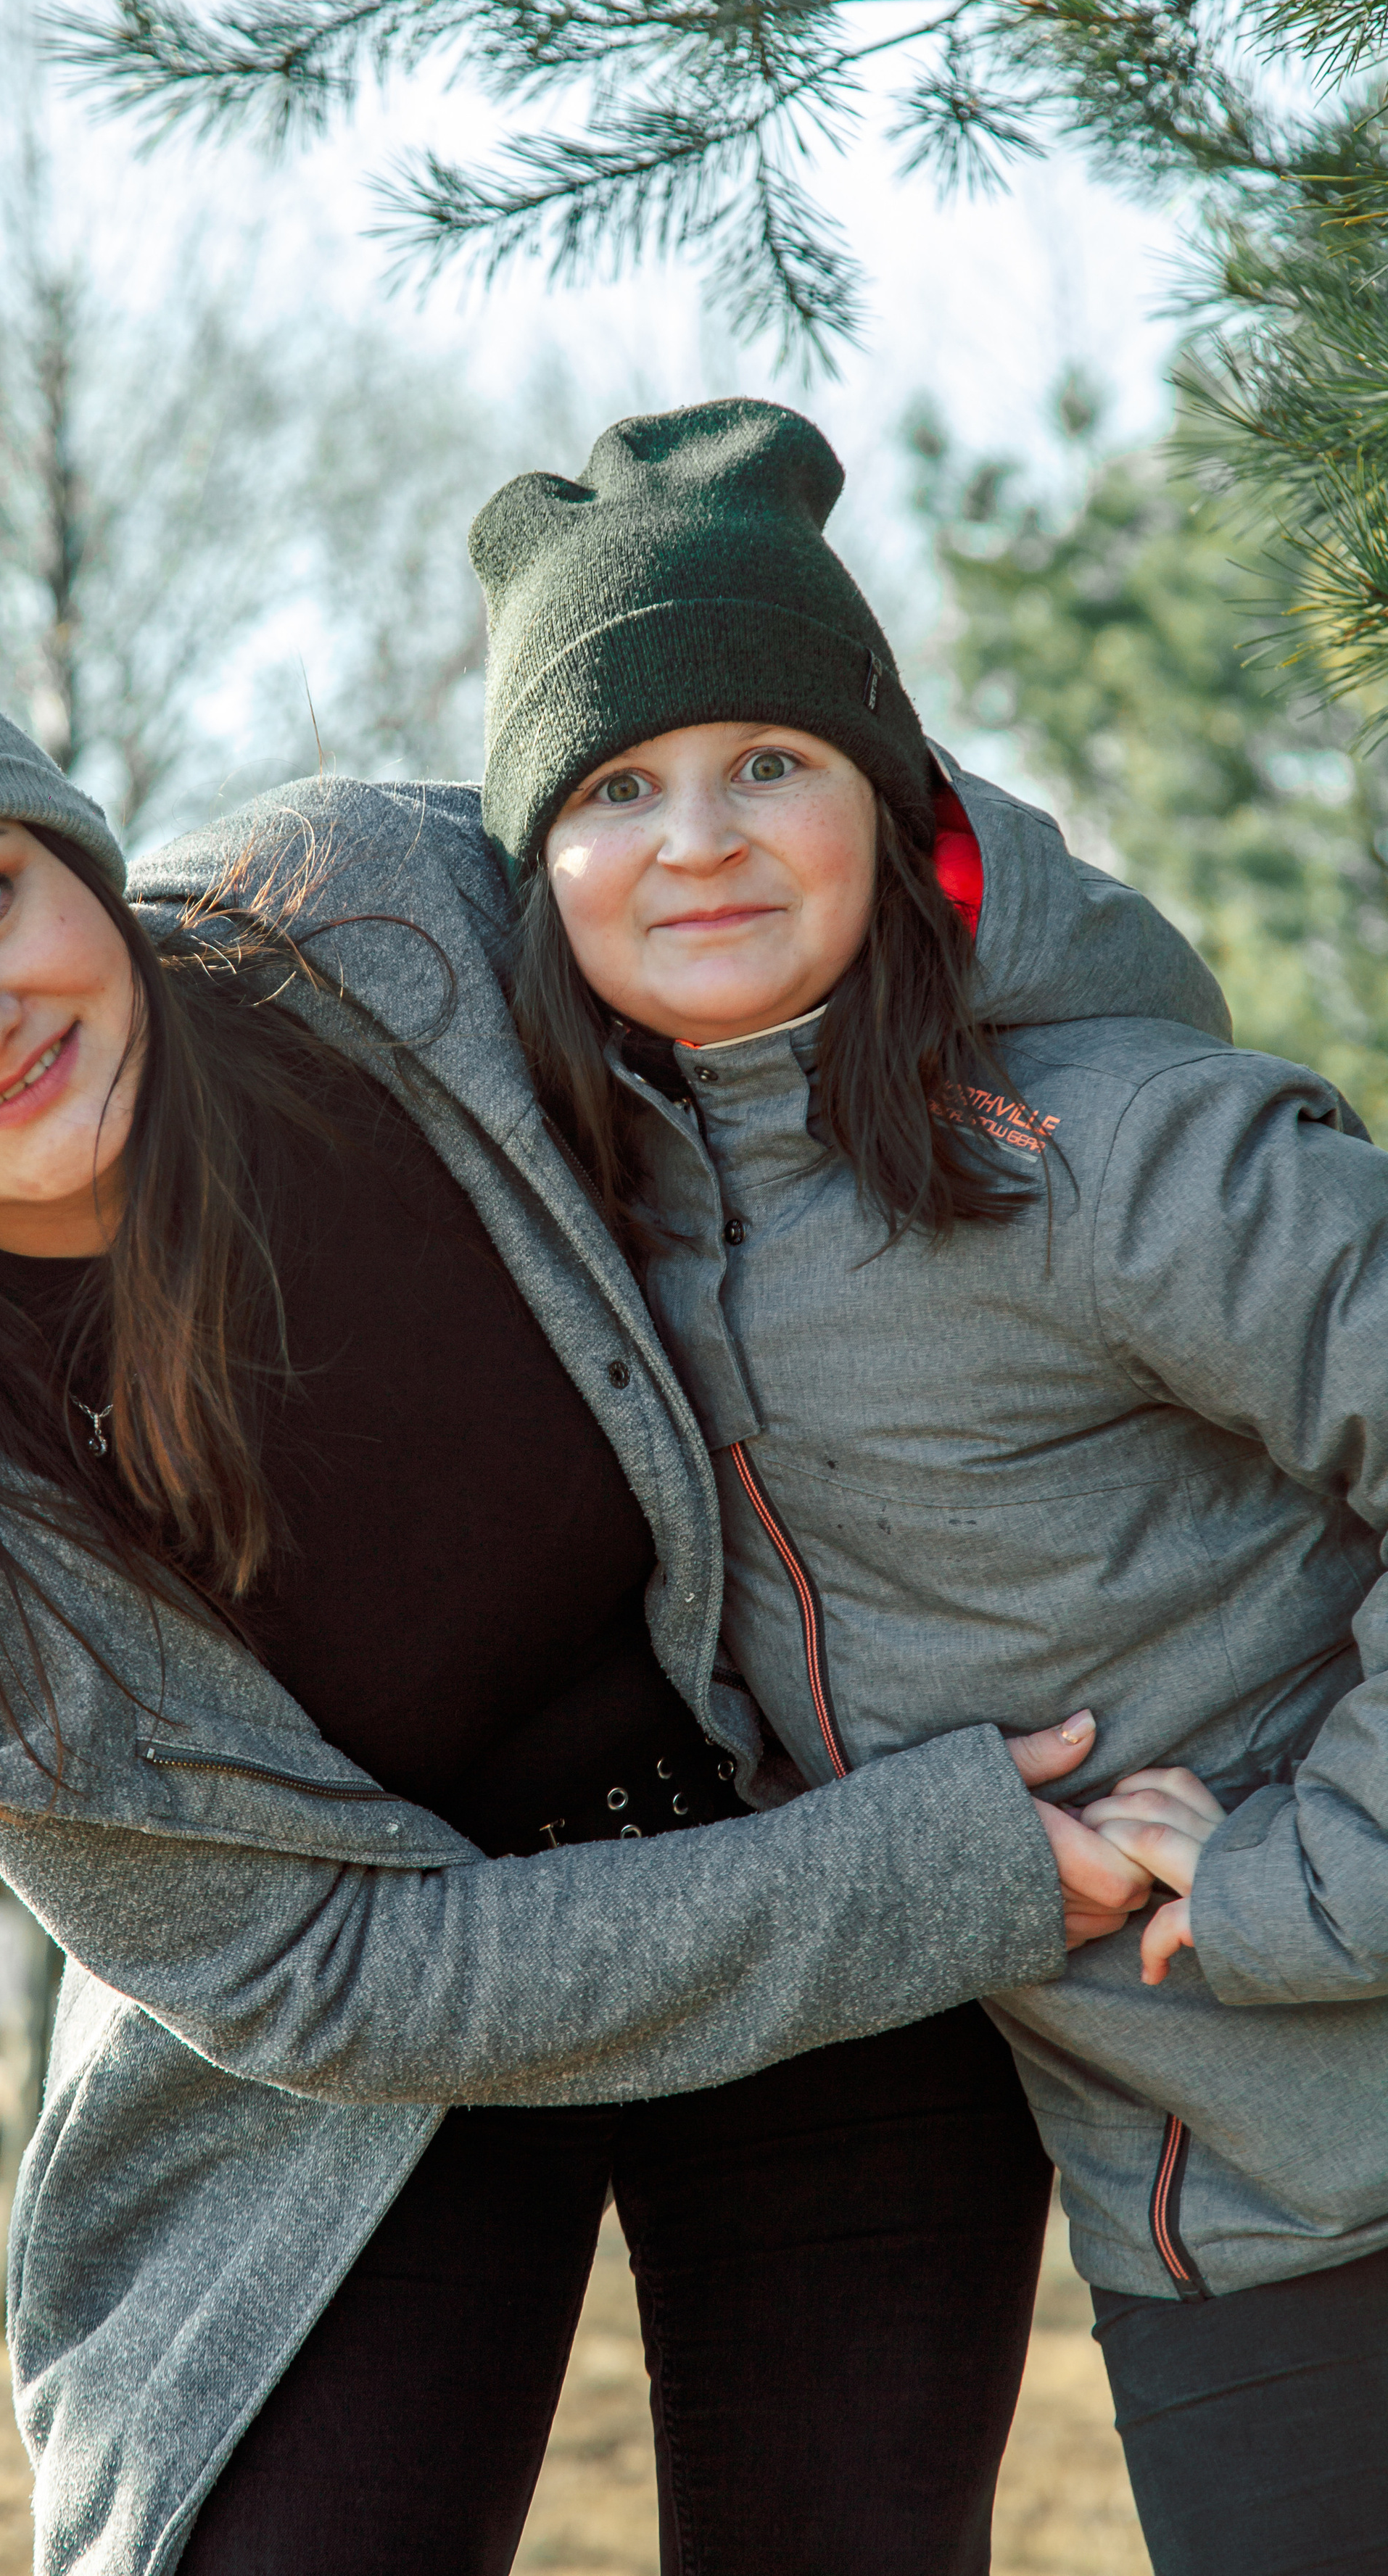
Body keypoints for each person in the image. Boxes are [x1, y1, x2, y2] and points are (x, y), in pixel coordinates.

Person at [0, 556, 1205, 2576]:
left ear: (75, 854)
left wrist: (841, 758)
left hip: (831, 1884)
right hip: (363, 2081)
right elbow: (322, 1978)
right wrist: (935, 1872)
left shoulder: (377, 927)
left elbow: (894, 923)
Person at [482, 395, 1388, 2576]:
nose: (697, 836)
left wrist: (1311, 1884)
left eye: (769, 761)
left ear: (895, 812)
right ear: (540, 868)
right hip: (1216, 2230)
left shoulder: (1115, 1154)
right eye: (617, 787)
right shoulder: (599, 1257)